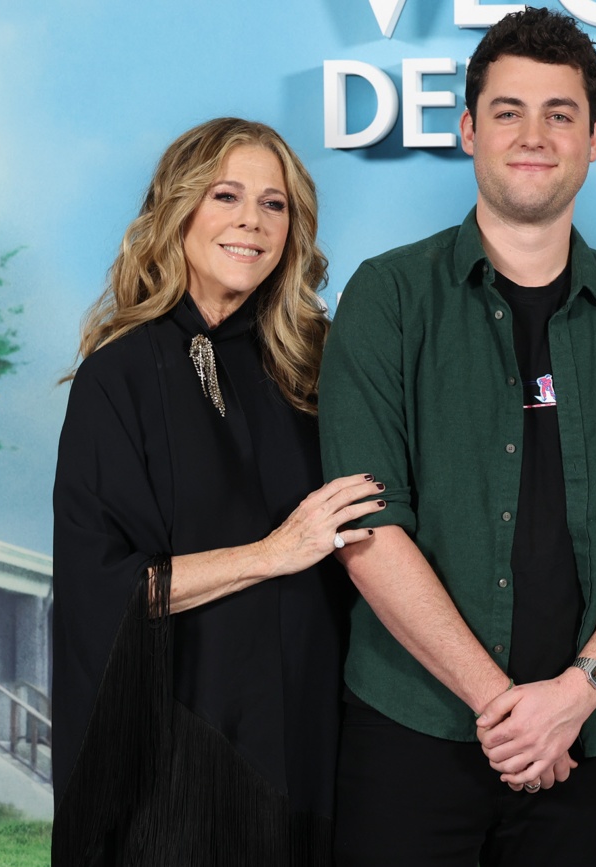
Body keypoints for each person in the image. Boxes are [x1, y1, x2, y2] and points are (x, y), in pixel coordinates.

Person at [318, 8, 596, 865]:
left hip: (585, 742)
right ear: (468, 128)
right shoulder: (386, 298)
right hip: (409, 734)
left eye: (560, 113)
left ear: (595, 136)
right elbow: (367, 527)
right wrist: (508, 710)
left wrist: (578, 691)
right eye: (508, 111)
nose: (534, 135)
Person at [51, 117, 384, 865]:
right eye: (227, 195)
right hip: (181, 752)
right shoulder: (120, 376)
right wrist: (274, 553)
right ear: (178, 210)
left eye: (275, 204)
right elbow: (109, 587)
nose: (251, 221)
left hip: (315, 735)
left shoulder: (318, 368)